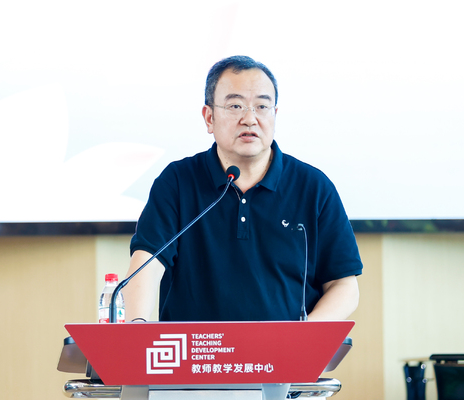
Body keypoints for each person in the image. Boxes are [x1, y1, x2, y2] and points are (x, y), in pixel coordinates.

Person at [123, 55, 362, 322]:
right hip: (197, 348)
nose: (250, 118)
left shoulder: (313, 187)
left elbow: (344, 285)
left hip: (284, 349)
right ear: (209, 117)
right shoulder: (177, 182)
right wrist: (137, 329)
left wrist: (304, 338)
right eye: (235, 106)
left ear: (274, 115)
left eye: (262, 106)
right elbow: (146, 266)